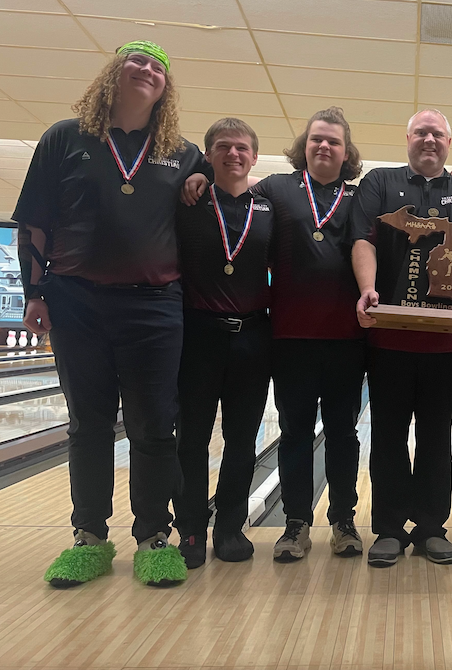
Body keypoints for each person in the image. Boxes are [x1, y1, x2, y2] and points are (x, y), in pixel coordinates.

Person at [14, 41, 207, 587]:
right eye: (137, 61)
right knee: (89, 423)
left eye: (159, 68)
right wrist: (35, 293)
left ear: (166, 88)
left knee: (153, 425)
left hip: (154, 303)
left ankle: (153, 537)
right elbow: (35, 224)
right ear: (113, 73)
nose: (148, 71)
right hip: (76, 301)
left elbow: (213, 202)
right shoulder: (64, 138)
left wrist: (205, 180)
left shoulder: (182, 152)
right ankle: (89, 537)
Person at [352, 109, 452, 567]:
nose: (429, 139)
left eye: (437, 133)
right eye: (421, 132)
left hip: (447, 340)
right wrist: (368, 289)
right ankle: (390, 529)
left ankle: (433, 527)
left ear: (449, 141)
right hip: (390, 337)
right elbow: (364, 240)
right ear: (408, 138)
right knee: (389, 436)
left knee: (436, 435)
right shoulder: (379, 182)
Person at [251, 108, 366, 562]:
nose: (324, 146)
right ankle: (295, 522)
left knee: (343, 433)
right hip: (291, 337)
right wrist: (199, 175)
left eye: (334, 141)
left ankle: (343, 520)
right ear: (305, 144)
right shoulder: (276, 188)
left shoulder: (358, 198)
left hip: (346, 339)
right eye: (317, 139)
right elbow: (233, 197)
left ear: (346, 151)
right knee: (296, 431)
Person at [173, 118, 273, 568]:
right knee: (190, 438)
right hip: (198, 335)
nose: (233, 154)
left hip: (253, 335)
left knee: (242, 438)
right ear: (207, 155)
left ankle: (230, 524)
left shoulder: (269, 205)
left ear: (254, 156)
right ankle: (192, 528)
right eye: (223, 147)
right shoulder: (186, 200)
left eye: (242, 148)